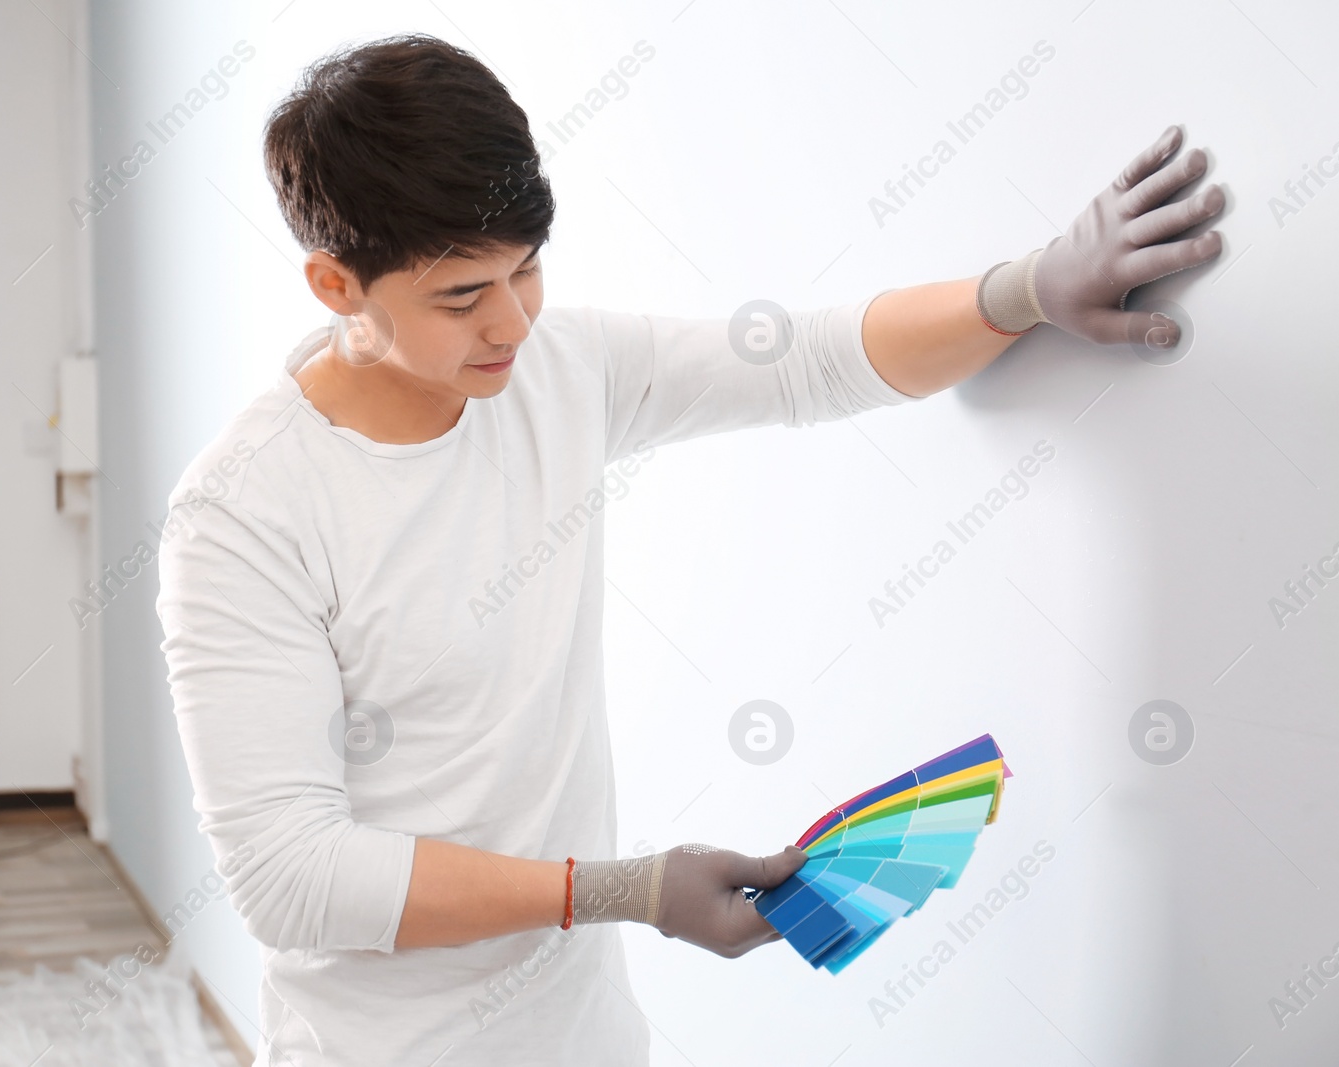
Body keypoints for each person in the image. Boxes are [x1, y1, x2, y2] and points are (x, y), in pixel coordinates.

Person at [154, 32, 1226, 1067]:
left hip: (585, 1041)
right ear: (336, 286)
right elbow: (290, 874)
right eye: (461, 294)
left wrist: (1026, 289)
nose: (512, 322)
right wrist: (618, 890)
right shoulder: (245, 514)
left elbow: (801, 361)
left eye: (527, 270)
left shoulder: (555, 369)